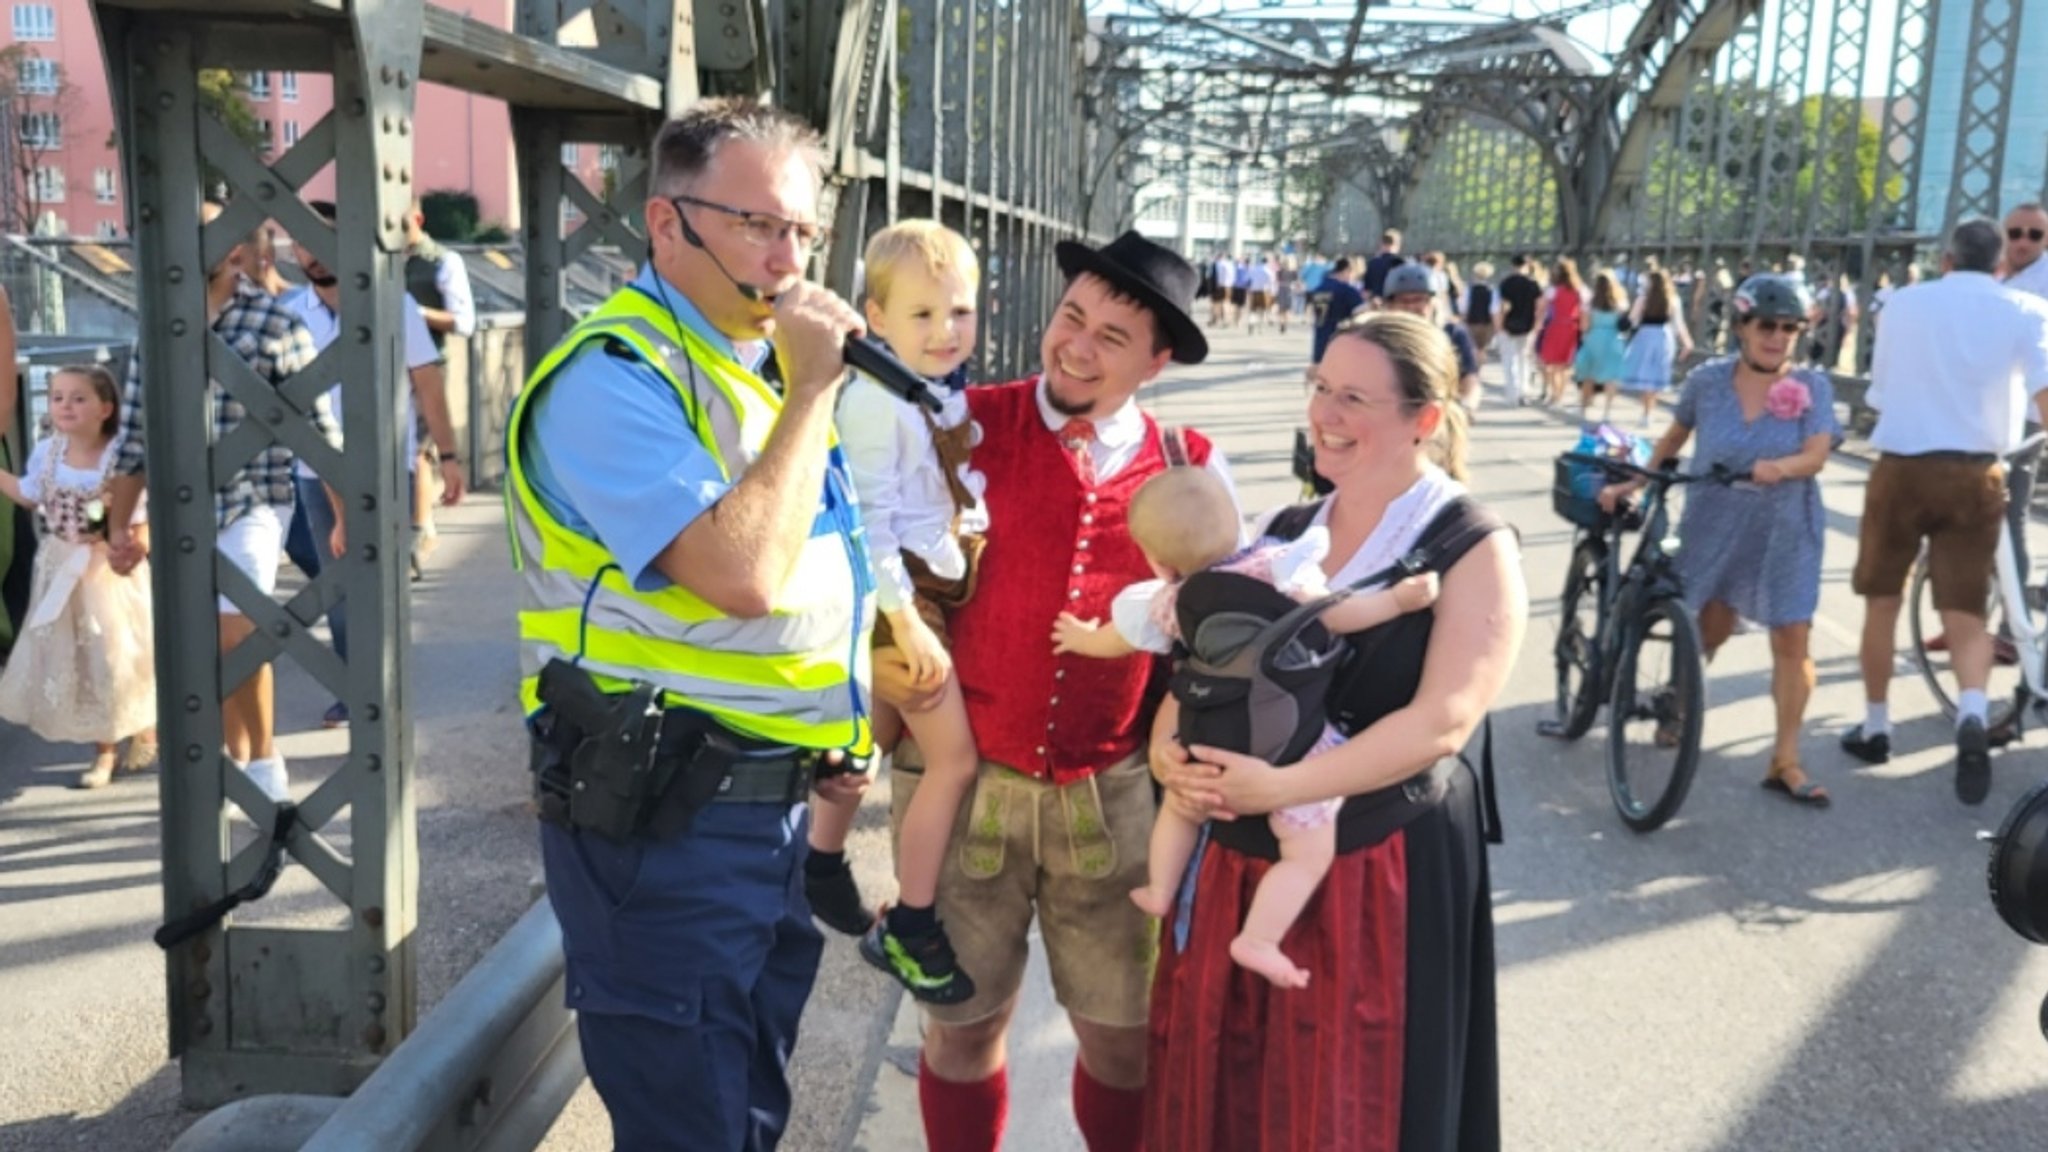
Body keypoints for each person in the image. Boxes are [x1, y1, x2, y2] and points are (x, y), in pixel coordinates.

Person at [506, 100, 875, 1150]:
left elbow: (816, 571)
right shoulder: (611, 376)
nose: (787, 256)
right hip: (664, 817)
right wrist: (812, 396)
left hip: (767, 811)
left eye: (803, 231)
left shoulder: (741, 370)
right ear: (667, 224)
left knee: (742, 1113)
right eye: (757, 224)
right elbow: (741, 575)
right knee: (691, 1125)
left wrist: (844, 718)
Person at [875, 231, 1225, 1152]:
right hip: (963, 782)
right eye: (1072, 316)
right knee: (962, 1031)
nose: (1076, 345)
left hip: (1113, 796)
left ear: (1156, 363)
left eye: (1112, 336)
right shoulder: (957, 424)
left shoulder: (1191, 464)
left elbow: (1225, 637)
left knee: (1122, 1043)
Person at [1147, 311, 1524, 1151]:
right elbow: (1202, 667)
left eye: (1354, 396)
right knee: (1233, 1103)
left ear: (1424, 419)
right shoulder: (1284, 531)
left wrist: (1284, 787)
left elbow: (1444, 721)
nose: (1325, 411)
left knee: (1347, 1108)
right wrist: (1167, 756)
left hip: (1376, 873)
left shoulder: (1471, 547)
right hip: (1242, 867)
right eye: (1321, 386)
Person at [1051, 464, 1436, 989]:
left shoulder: (1168, 600)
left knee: (1183, 809)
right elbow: (1336, 616)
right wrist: (1396, 600)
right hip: (1294, 748)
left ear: (1159, 563)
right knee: (1307, 851)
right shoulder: (1282, 568)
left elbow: (1119, 638)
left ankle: (1160, 888)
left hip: (1209, 741)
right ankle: (1259, 939)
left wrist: (1080, 638)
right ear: (1237, 524)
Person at [105, 200, 344, 803]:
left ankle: (263, 761)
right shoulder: (154, 329)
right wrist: (113, 529)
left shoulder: (274, 324)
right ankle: (228, 758)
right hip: (179, 511)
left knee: (239, 630)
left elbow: (317, 432)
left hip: (254, 500)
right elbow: (132, 440)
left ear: (233, 248)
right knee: (198, 641)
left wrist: (345, 517)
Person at [812, 219, 990, 1004]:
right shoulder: (876, 404)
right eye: (921, 314)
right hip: (898, 598)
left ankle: (814, 863)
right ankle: (911, 927)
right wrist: (908, 620)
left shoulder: (923, 390)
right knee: (953, 760)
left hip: (916, 584)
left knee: (872, 737)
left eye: (959, 311)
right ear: (875, 318)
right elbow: (867, 522)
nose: (946, 331)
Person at [1595, 275, 1837, 803]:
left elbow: (1818, 454)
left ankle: (1786, 760)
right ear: (1742, 328)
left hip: (1785, 527)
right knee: (1709, 625)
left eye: (1789, 329)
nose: (1777, 337)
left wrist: (1783, 466)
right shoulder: (1707, 381)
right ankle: (1679, 701)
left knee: (1793, 638)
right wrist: (1636, 482)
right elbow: (1674, 438)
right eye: (1766, 326)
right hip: (1712, 521)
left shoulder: (1812, 388)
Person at [1841, 218, 2048, 805]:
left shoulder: (1902, 305)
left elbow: (1878, 393)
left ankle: (1877, 726)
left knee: (1881, 603)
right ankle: (1973, 715)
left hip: (1902, 469)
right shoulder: (2024, 312)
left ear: (1947, 260)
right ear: (2000, 262)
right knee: (1965, 614)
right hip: (1975, 473)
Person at [280, 200, 466, 729]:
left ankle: (373, 686)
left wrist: (448, 458)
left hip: (388, 467)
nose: (312, 253)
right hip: (313, 470)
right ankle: (357, 683)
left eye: (324, 239)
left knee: (372, 580)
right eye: (302, 243)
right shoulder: (289, 312)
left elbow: (428, 384)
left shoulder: (395, 304)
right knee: (337, 578)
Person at [0, 365, 157, 788]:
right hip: (61, 564)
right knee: (83, 660)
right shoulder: (48, 453)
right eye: (57, 398)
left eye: (78, 398)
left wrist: (131, 542)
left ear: (105, 408)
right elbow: (33, 495)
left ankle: (142, 722)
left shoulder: (119, 456)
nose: (65, 406)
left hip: (109, 569)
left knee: (119, 653)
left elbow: (142, 514)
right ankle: (104, 751)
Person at [403, 201, 477, 576]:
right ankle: (419, 528)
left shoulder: (444, 261)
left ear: (417, 219)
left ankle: (417, 536)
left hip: (427, 366)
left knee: (414, 450)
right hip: (384, 369)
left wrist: (417, 315)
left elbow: (465, 322)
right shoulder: (372, 258)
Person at [1383, 263, 1480, 414]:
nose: (1411, 307)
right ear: (1389, 305)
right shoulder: (1378, 337)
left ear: (1432, 302)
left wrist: (1467, 406)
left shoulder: (1452, 334)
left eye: (1419, 300)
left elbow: (1469, 377)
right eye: (1403, 301)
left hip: (1439, 414)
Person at [1616, 268, 1695, 427]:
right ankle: (1649, 411)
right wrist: (1687, 342)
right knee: (1657, 375)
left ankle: (1645, 410)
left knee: (1645, 375)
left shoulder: (1643, 299)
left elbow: (1632, 320)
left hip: (1645, 337)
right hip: (1664, 338)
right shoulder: (1673, 300)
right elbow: (1679, 324)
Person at [1574, 270, 1630, 422]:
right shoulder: (1620, 303)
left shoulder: (1590, 304)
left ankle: (1583, 408)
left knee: (1588, 376)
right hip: (1613, 340)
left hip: (1594, 340)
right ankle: (1607, 412)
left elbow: (1584, 326)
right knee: (1611, 377)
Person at [1494, 254, 1543, 405]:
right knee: (1524, 359)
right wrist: (1537, 324)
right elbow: (1539, 306)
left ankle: (1512, 393)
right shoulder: (1533, 284)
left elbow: (1502, 306)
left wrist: (1500, 326)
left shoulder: (1505, 283)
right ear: (1527, 265)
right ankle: (1524, 391)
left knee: (1509, 360)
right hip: (1527, 324)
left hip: (1509, 324)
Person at [1537, 257, 1586, 406]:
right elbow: (1584, 311)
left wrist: (1538, 325)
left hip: (1555, 327)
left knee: (1550, 363)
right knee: (1564, 365)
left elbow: (1541, 308)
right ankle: (1560, 394)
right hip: (1571, 328)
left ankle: (1555, 393)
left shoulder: (1553, 291)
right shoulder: (1580, 290)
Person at [1308, 257, 1367, 367]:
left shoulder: (1319, 289)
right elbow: (1362, 313)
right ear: (1347, 270)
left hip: (1320, 341)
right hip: (1341, 341)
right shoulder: (1347, 290)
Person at [1461, 261, 1496, 365]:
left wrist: (1463, 320)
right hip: (1487, 323)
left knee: (1472, 347)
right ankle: (1480, 367)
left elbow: (1464, 307)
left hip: (1472, 321)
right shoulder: (1492, 290)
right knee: (1483, 348)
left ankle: (1474, 368)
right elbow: (1494, 309)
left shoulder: (1469, 290)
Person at [1362, 229, 1404, 303]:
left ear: (1381, 244)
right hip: (1395, 303)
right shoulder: (1401, 263)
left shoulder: (1372, 263)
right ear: (1397, 245)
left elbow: (1366, 291)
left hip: (1376, 303)